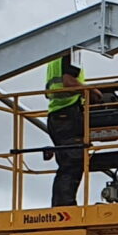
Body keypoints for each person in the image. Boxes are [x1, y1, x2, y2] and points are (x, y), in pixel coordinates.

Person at [42, 52, 89, 206]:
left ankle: (60, 205)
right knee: (72, 163)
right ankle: (64, 207)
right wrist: (91, 92)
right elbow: (68, 82)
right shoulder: (72, 52)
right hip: (68, 114)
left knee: (66, 161)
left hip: (55, 115)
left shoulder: (56, 55)